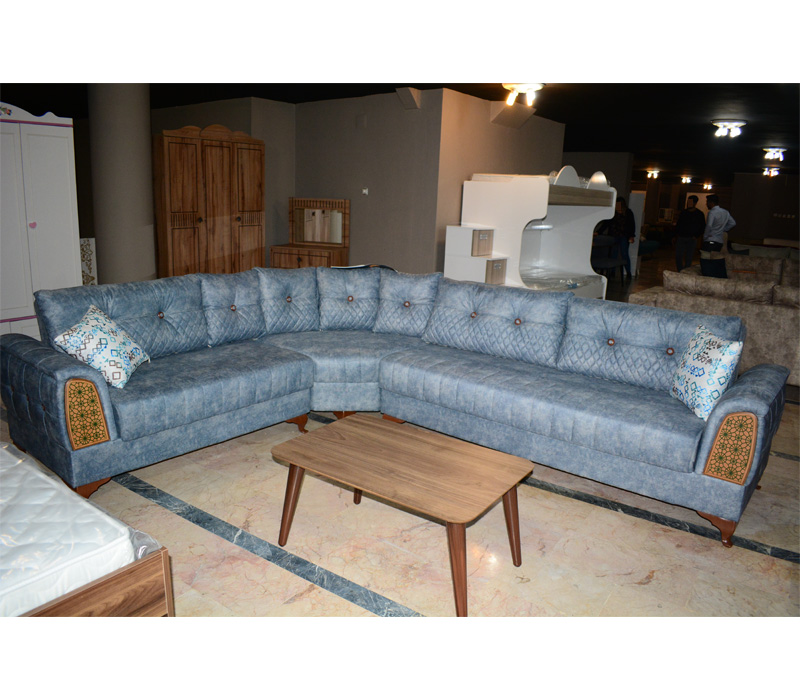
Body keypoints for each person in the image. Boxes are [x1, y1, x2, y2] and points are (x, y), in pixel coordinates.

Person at [701, 194, 736, 278]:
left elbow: (709, 226)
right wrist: (723, 229)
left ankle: (706, 278)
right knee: (714, 261)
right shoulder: (725, 212)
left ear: (711, 203)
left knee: (706, 261)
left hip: (710, 240)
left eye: (707, 202)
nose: (706, 204)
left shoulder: (712, 212)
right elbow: (733, 223)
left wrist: (705, 237)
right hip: (719, 241)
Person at [673, 195, 705, 271]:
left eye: (690, 202)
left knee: (689, 257)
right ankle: (680, 270)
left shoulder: (699, 214)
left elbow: (702, 226)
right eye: (688, 202)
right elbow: (678, 225)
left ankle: (686, 271)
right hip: (681, 237)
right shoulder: (683, 213)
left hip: (692, 238)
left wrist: (696, 235)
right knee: (678, 255)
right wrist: (675, 235)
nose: (689, 204)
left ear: (695, 203)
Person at [610, 197, 636, 280]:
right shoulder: (613, 212)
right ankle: (612, 271)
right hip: (614, 235)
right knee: (614, 254)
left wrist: (631, 235)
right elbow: (608, 223)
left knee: (624, 253)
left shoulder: (628, 212)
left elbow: (632, 224)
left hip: (624, 235)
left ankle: (628, 271)